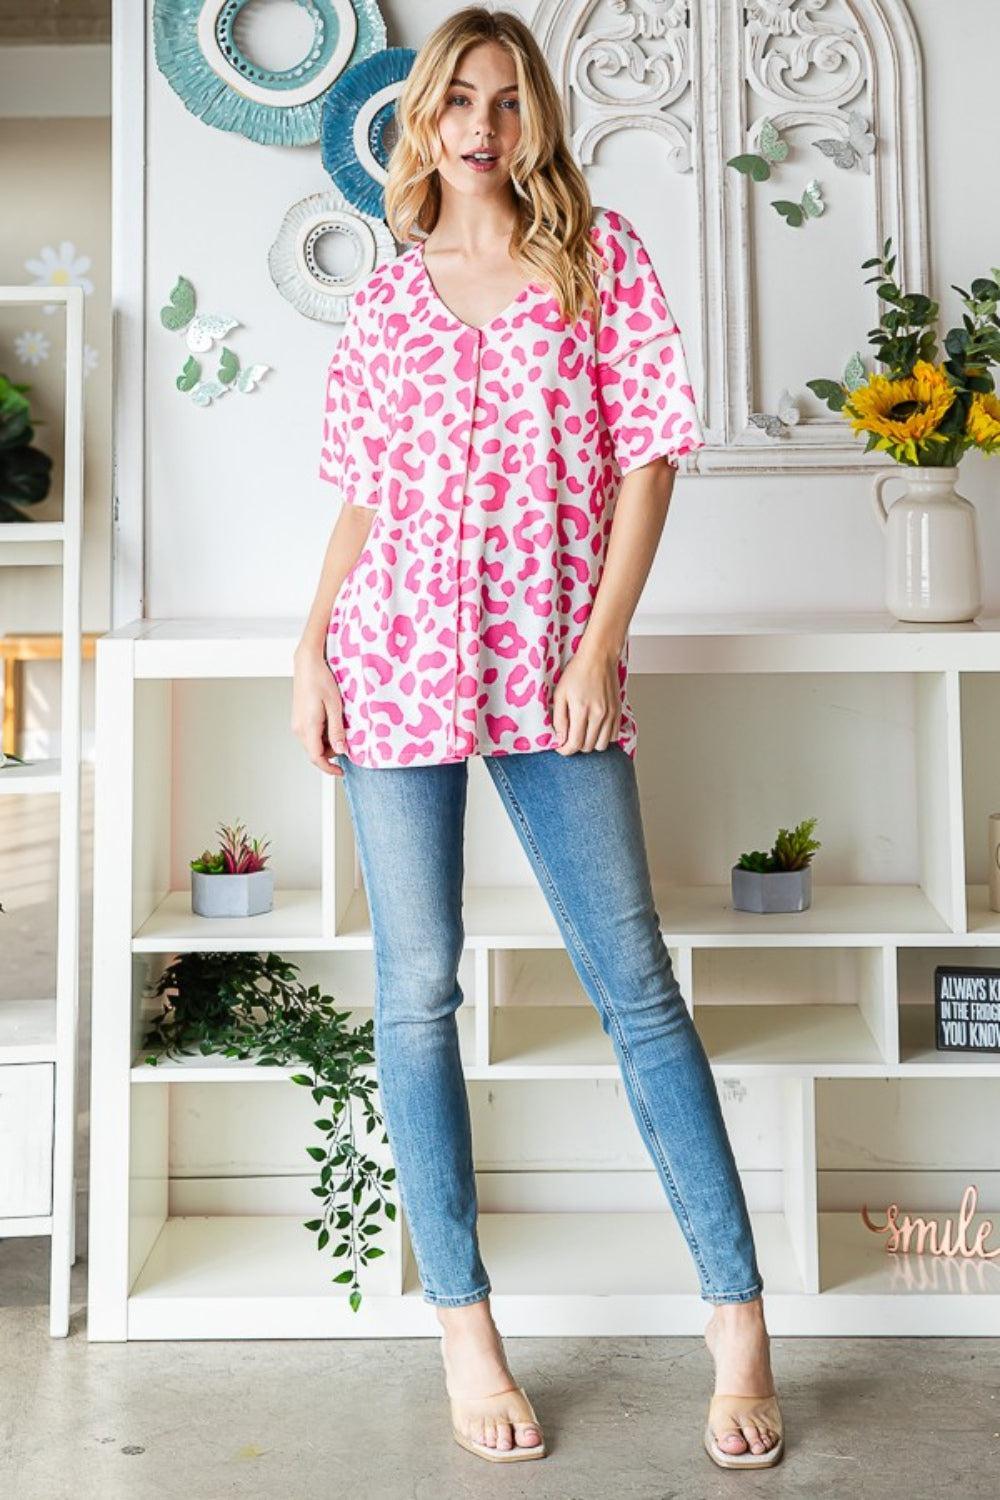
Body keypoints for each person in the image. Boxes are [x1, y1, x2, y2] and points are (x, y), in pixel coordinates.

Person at [292, 4, 784, 1472]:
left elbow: (648, 461)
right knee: (416, 995)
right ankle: (465, 1327)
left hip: (552, 669)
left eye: (508, 101)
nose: (485, 126)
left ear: (535, 117)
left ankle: (739, 1322)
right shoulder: (385, 300)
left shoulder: (598, 260)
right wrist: (311, 641)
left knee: (635, 988)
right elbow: (366, 499)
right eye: (461, 100)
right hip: (394, 664)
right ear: (423, 120)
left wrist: (600, 642)